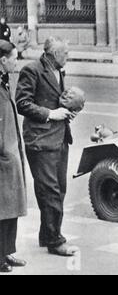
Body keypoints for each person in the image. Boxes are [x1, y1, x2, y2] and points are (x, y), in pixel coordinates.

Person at [16, 37, 79, 257]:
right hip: (41, 142)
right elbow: (22, 102)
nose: (68, 57)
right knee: (50, 191)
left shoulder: (59, 70)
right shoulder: (32, 70)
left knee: (59, 189)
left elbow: (55, 100)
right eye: (66, 53)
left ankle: (46, 234)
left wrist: (66, 112)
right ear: (53, 54)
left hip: (59, 139)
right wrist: (51, 114)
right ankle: (55, 241)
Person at [0, 40, 27, 273]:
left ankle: (7, 252)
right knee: (2, 210)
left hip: (10, 153)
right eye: (14, 58)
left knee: (11, 208)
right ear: (3, 60)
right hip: (2, 156)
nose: (16, 62)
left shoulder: (4, 82)